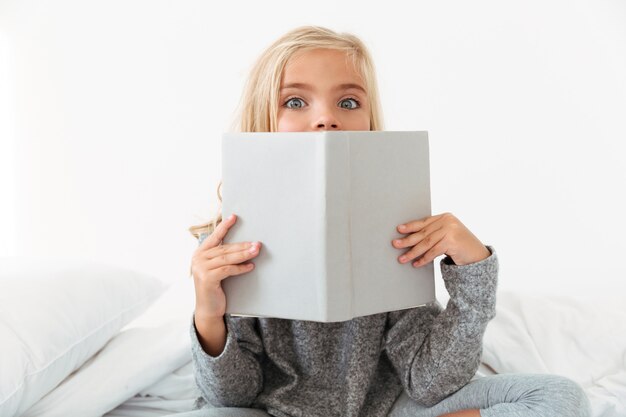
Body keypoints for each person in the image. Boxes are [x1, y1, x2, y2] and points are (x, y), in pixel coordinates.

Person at [180, 26, 591, 417]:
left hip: (387, 409)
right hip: (272, 411)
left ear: (370, 124)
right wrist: (208, 316)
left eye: (348, 102)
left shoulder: (396, 228)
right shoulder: (226, 246)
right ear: (261, 122)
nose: (326, 118)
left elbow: (431, 383)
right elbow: (232, 397)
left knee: (557, 397)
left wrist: (473, 274)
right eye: (295, 102)